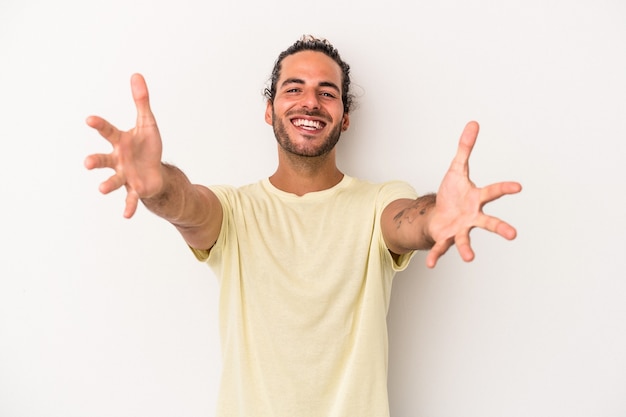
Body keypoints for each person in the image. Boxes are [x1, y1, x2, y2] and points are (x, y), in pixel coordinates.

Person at [85, 35, 521, 417]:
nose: (310, 102)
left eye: (326, 93)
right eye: (293, 89)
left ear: (345, 117)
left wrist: (436, 216)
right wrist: (158, 183)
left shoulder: (378, 203)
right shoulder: (233, 210)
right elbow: (186, 204)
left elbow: (408, 222)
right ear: (270, 110)